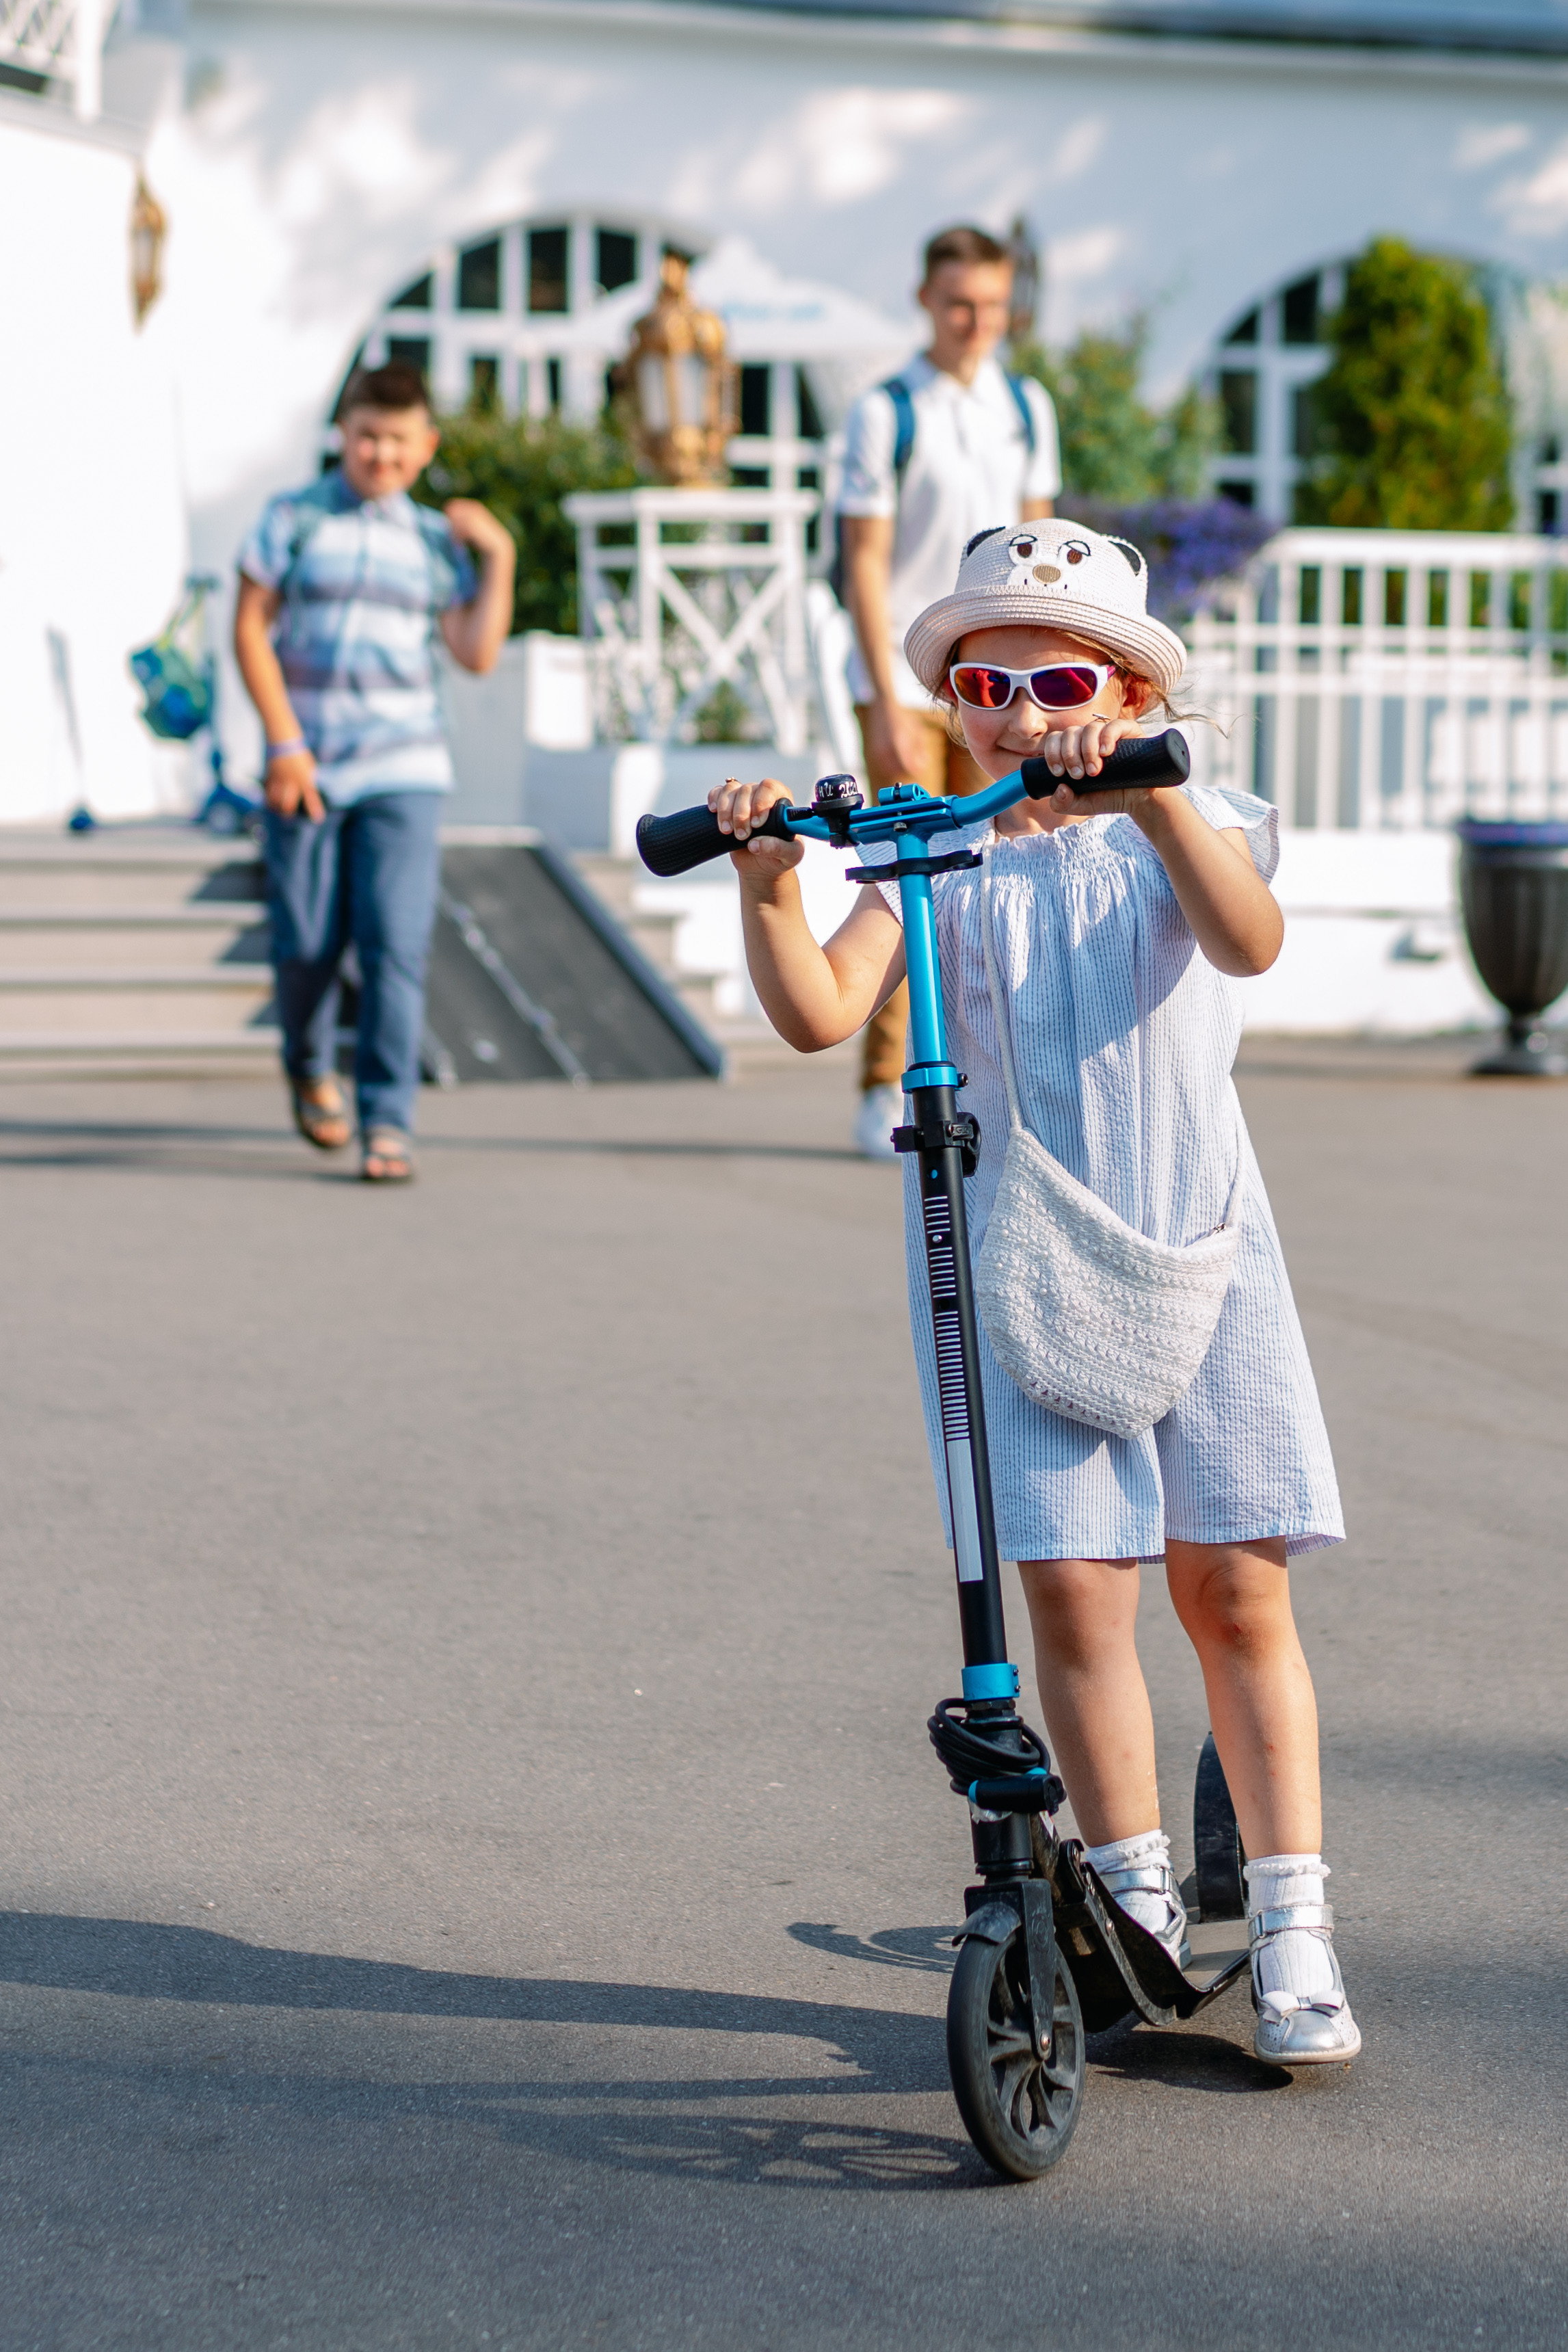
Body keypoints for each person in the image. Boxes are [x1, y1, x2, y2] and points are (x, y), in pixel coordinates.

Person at [706, 517, 1359, 2067]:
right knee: (1074, 1587)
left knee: (1233, 1584)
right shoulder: (933, 847)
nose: (1018, 712)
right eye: (982, 683)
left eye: (1056, 678)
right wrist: (765, 886)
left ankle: (1287, 1919)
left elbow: (1246, 940)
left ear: (1130, 695)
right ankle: (1126, 1909)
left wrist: (1148, 806)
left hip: (1200, 1238)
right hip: (1020, 1256)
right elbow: (816, 1012)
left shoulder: (1191, 807)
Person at [233, 361, 516, 1182]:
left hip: (407, 763)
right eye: (366, 437)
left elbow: (475, 651)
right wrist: (284, 744)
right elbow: (250, 631)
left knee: (395, 942)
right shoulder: (292, 517)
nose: (379, 454)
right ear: (343, 435)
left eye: (397, 441)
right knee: (308, 943)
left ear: (424, 446)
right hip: (308, 763)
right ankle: (308, 1064)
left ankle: (387, 1120)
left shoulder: (432, 539)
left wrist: (496, 557)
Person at [836, 224, 1061, 1158]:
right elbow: (865, 558)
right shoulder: (885, 410)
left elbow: (1041, 547)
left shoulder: (1025, 401)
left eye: (993, 306)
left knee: (1007, 862)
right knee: (911, 870)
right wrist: (888, 699)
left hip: (999, 679)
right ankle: (885, 1080)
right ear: (926, 299)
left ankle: (1000, 1066)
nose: (976, 322)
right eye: (960, 303)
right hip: (904, 670)